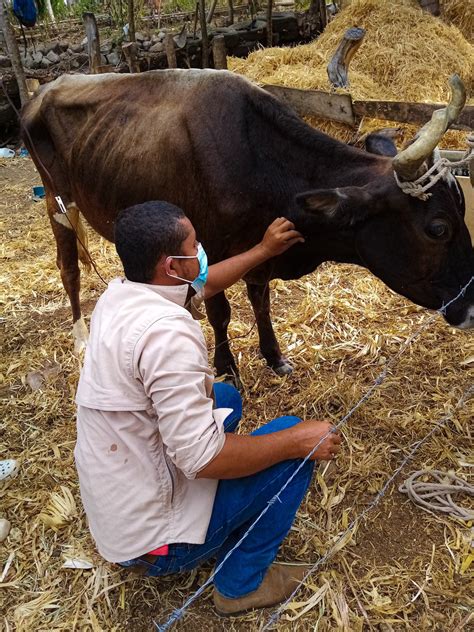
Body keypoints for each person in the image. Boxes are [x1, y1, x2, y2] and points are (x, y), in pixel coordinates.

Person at [74, 201, 342, 616]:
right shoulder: (168, 334)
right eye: (195, 245)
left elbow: (206, 282)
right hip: (153, 545)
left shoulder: (123, 293)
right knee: (295, 442)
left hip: (119, 504)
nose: (201, 251)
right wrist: (293, 441)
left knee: (225, 398)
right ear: (172, 265)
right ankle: (239, 586)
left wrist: (264, 250)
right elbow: (200, 459)